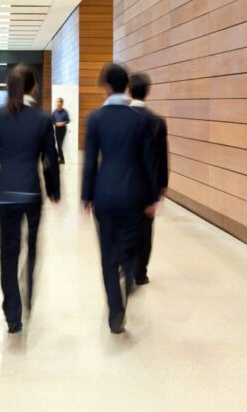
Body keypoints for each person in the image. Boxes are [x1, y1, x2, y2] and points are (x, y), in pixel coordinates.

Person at [0, 65, 60, 334]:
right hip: (31, 192)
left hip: (5, 193)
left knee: (8, 252)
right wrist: (54, 191)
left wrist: (7, 160)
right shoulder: (41, 119)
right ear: (32, 88)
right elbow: (50, 159)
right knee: (33, 244)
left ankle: (12, 314)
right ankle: (28, 290)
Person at [82, 63, 159, 334]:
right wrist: (153, 196)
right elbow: (149, 161)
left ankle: (116, 307)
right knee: (128, 249)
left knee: (107, 255)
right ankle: (128, 282)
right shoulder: (141, 119)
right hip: (134, 195)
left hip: (104, 194)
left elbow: (90, 160)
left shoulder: (95, 119)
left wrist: (86, 196)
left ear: (106, 86)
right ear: (126, 86)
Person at [128, 72, 169, 286]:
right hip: (147, 188)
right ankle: (140, 273)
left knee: (124, 229)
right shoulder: (158, 122)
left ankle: (124, 266)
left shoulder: (121, 119)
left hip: (124, 186)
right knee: (144, 232)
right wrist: (161, 188)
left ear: (129, 90)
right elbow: (162, 158)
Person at [50, 98, 70, 164]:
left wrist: (62, 123)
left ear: (61, 103)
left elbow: (68, 120)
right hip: (57, 129)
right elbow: (52, 120)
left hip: (63, 129)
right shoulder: (54, 112)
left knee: (59, 145)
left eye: (59, 102)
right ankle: (61, 159)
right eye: (57, 102)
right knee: (58, 144)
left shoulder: (65, 112)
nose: (57, 103)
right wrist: (56, 123)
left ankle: (61, 159)